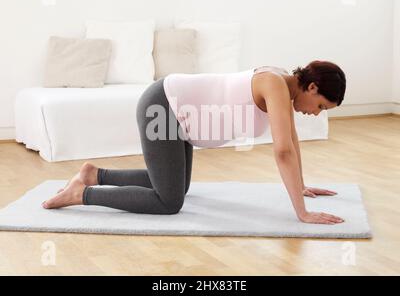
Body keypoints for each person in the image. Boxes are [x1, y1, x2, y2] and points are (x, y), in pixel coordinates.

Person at [42, 60, 346, 225]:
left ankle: (94, 174)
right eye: (320, 106)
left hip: (179, 116)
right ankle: (83, 194)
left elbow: (290, 141)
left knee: (175, 187)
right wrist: (301, 213)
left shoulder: (285, 87)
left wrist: (301, 185)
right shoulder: (274, 84)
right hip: (164, 107)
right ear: (312, 86)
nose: (314, 113)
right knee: (168, 201)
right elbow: (281, 152)